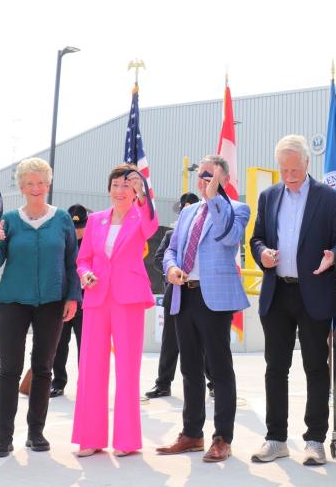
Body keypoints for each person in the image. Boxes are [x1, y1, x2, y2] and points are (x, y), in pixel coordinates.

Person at [249, 135, 336, 466]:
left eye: (295, 169)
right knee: (275, 368)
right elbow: (257, 237)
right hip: (278, 292)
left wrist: (332, 258)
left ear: (307, 163)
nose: (290, 175)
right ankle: (276, 438)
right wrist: (262, 252)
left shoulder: (329, 198)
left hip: (315, 293)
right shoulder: (268, 197)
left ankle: (315, 439)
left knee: (315, 368)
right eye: (284, 169)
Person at [0, 158, 81, 457]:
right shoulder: (9, 221)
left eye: (41, 182)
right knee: (9, 370)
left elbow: (72, 262)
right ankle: (4, 437)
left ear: (48, 184)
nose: (36, 188)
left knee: (43, 368)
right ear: (22, 187)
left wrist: (72, 297)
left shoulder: (63, 218)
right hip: (14, 300)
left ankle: (36, 432)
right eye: (30, 183)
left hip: (52, 301)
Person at [157, 155, 250, 463]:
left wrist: (214, 201)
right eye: (200, 174)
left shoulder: (236, 209)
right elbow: (171, 249)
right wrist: (170, 269)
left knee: (220, 369)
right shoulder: (188, 213)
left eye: (210, 174)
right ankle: (192, 434)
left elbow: (229, 237)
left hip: (215, 300)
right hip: (185, 295)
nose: (203, 179)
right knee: (190, 369)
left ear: (223, 177)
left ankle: (222, 438)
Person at [71, 163, 160, 457]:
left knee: (126, 370)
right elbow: (83, 259)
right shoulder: (95, 220)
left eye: (126, 186)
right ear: (108, 189)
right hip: (97, 297)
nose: (120, 191)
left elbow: (152, 224)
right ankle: (90, 438)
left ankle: (126, 440)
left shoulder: (140, 216)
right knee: (91, 369)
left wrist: (143, 189)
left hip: (129, 299)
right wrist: (85, 274)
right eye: (115, 186)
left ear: (134, 191)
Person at [144, 193, 214, 400]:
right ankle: (163, 384)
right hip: (175, 294)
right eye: (184, 208)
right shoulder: (171, 234)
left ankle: (213, 383)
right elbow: (158, 259)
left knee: (205, 341)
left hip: (202, 293)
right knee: (170, 342)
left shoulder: (206, 232)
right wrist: (172, 271)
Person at [50, 203, 88, 398]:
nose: (76, 231)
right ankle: (58, 382)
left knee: (86, 346)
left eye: (80, 227)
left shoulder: (92, 242)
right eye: (74, 227)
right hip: (63, 299)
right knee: (58, 343)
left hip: (86, 300)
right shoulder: (61, 241)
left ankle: (86, 385)